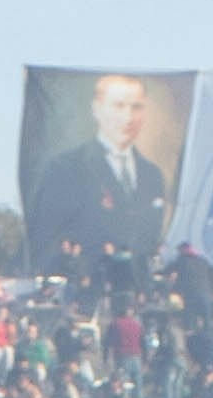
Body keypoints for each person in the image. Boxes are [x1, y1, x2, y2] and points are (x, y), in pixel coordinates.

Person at [28, 73, 176, 271]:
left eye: (136, 107)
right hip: (88, 277)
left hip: (136, 284)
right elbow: (47, 234)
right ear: (97, 109)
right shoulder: (65, 168)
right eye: (119, 106)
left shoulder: (153, 175)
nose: (128, 117)